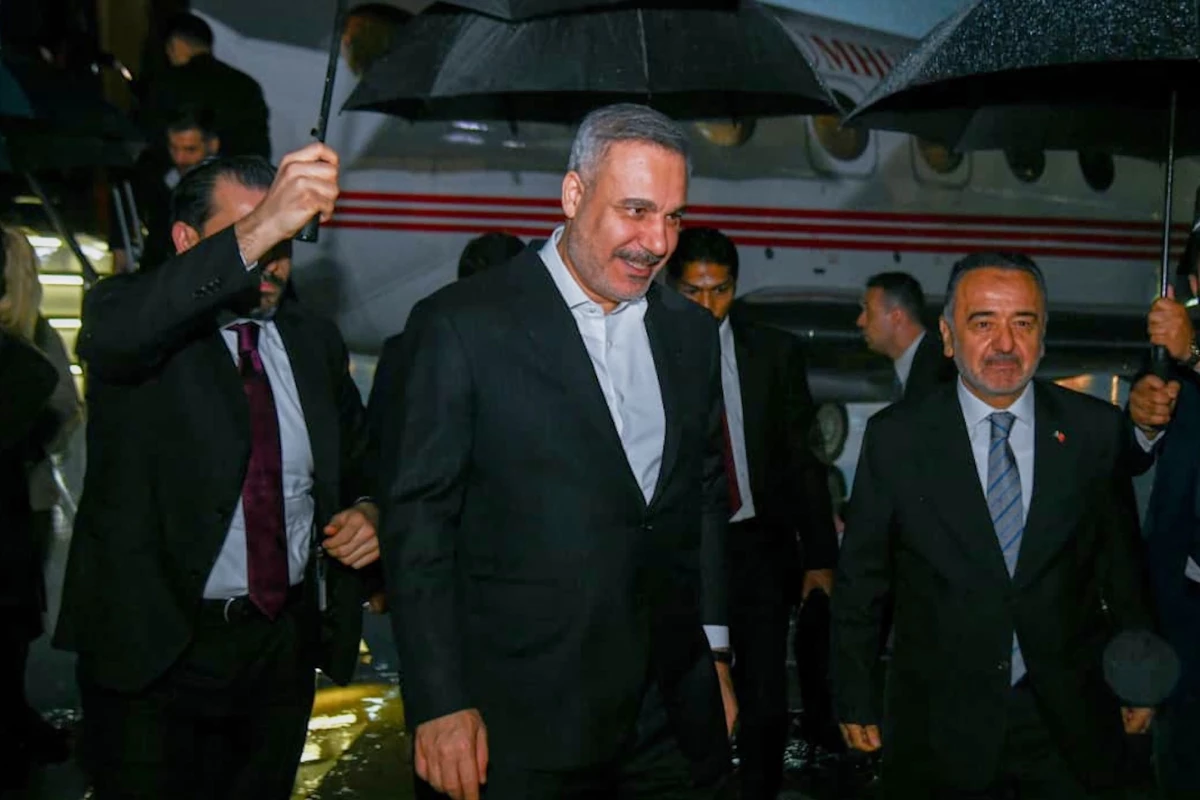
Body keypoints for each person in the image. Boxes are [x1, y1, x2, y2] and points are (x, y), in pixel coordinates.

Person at [377, 103, 733, 800]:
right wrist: (439, 700)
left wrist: (713, 652)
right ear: (573, 195)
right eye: (635, 211)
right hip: (517, 723)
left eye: (673, 216)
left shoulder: (689, 334)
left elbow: (703, 499)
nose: (657, 241)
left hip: (667, 716)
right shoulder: (463, 326)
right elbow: (419, 526)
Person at [54, 144, 379, 800]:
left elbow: (362, 456)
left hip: (277, 651)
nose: (271, 260)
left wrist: (372, 512)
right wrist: (262, 225)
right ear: (186, 240)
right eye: (251, 235)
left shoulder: (311, 340)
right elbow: (119, 333)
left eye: (287, 239)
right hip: (158, 653)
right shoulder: (133, 318)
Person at [833, 251, 1154, 798]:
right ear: (948, 335)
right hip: (939, 724)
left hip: (1067, 721)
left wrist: (1138, 677)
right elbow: (864, 579)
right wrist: (854, 694)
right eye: (983, 323)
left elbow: (1120, 567)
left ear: (1043, 333)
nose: (1005, 344)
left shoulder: (1092, 433)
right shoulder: (898, 439)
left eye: (1022, 323)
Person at [665, 226, 836, 799]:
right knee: (687, 688)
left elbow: (802, 460)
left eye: (720, 291)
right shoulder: (649, 348)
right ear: (671, 284)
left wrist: (819, 557)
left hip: (758, 545)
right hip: (682, 552)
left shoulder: (774, 353)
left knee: (764, 695)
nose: (709, 305)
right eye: (694, 292)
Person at [0, 228, 75, 789]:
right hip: (21, 495)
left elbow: (60, 408)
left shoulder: (30, 350)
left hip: (20, 498)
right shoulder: (29, 349)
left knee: (15, 621)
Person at [1126, 277, 1200, 798]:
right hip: (1185, 599)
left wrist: (1194, 354)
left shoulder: (1186, 343)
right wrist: (1143, 420)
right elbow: (1136, 449)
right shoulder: (1171, 341)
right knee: (1181, 761)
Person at [142, 12, 270, 160]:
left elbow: (148, 139)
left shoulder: (167, 83)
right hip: (237, 175)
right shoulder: (247, 85)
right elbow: (260, 150)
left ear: (176, 44)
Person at [112, 104, 222, 273]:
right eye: (174, 148)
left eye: (190, 150)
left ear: (212, 146)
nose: (180, 158)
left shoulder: (227, 187)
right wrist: (120, 248)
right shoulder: (158, 176)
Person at [857, 271, 954, 402]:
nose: (860, 321)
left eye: (868, 311)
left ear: (896, 317)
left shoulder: (942, 372)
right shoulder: (927, 364)